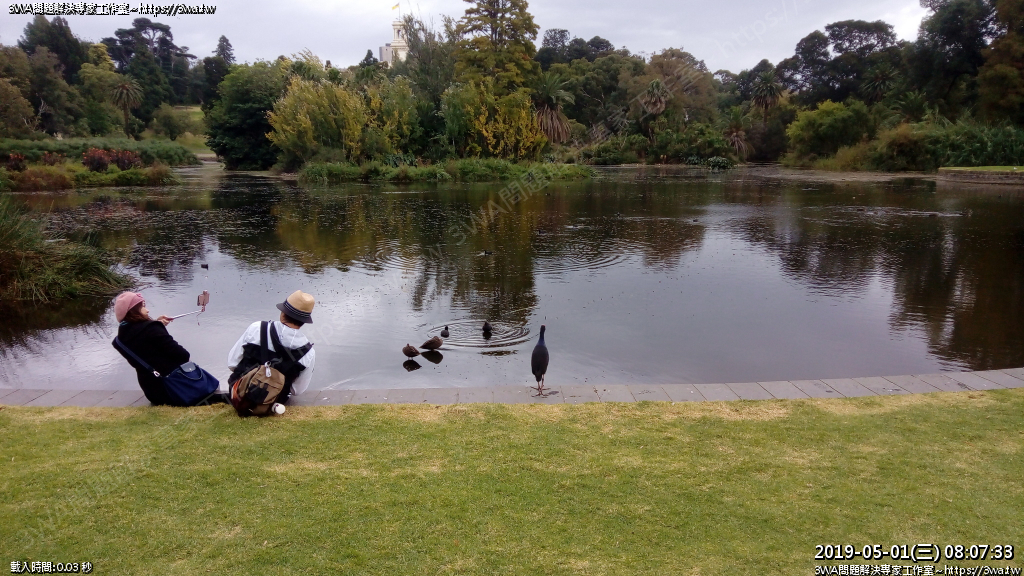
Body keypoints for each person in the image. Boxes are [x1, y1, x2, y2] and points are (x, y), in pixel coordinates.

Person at [227, 290, 316, 403]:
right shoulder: (308, 353)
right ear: (304, 321)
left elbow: (232, 364)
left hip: (238, 395)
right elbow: (297, 390)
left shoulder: (257, 328)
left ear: (283, 314)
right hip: (273, 402)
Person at [111, 292, 190, 405]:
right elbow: (183, 355)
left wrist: (156, 324)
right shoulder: (152, 329)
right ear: (134, 310)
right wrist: (158, 327)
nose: (147, 310)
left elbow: (142, 340)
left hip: (152, 392)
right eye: (143, 306)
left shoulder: (119, 341)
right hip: (175, 388)